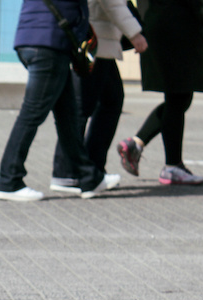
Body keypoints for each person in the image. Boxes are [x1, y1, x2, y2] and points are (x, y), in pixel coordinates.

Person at [0, 0, 121, 202]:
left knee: (68, 116)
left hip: (33, 40)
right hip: (50, 44)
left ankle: (89, 177)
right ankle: (9, 181)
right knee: (32, 114)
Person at [116, 0, 203, 185]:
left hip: (153, 29)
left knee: (178, 98)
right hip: (178, 33)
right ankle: (172, 166)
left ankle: (137, 143)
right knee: (178, 96)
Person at [50, 0, 148, 194]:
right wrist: (135, 33)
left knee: (110, 100)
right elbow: (112, 3)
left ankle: (90, 169)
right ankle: (68, 172)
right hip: (94, 41)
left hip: (101, 41)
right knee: (81, 107)